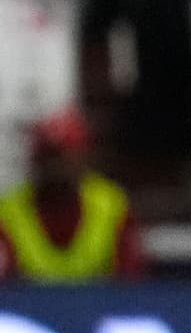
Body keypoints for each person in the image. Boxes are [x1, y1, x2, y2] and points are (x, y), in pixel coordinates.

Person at [0, 111, 145, 283]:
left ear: (83, 158)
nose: (56, 167)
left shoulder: (110, 204)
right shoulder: (9, 210)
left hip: (100, 304)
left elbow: (132, 279)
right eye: (48, 157)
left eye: (64, 157)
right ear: (35, 160)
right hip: (27, 306)